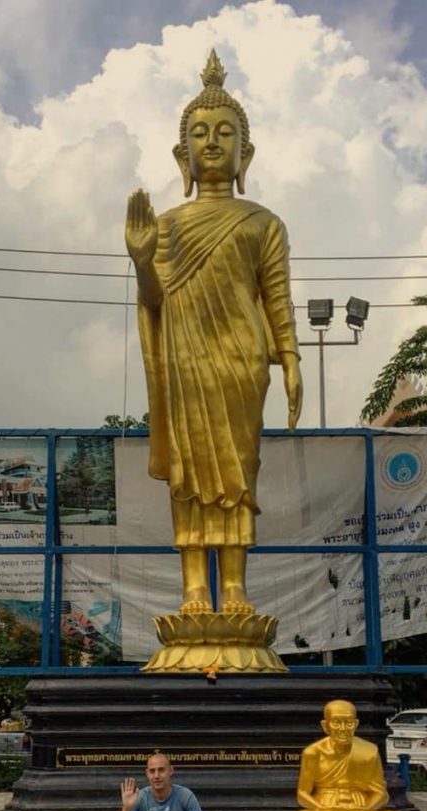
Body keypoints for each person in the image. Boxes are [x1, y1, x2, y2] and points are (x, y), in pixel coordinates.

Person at [126, 50, 303, 616]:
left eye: (224, 132)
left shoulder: (263, 223)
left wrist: (292, 360)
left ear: (244, 151)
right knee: (189, 472)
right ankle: (193, 590)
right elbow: (155, 302)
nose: (211, 142)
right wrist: (141, 262)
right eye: (199, 133)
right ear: (182, 153)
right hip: (184, 361)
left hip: (241, 364)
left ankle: (233, 587)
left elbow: (276, 299)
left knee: (236, 471)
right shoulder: (168, 225)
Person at [293, 699, 406, 811]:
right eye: (336, 722)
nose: (343, 728)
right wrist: (322, 807)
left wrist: (366, 809)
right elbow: (302, 794)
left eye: (348, 722)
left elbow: (381, 793)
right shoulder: (313, 753)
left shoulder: (369, 751)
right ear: (325, 726)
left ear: (356, 724)